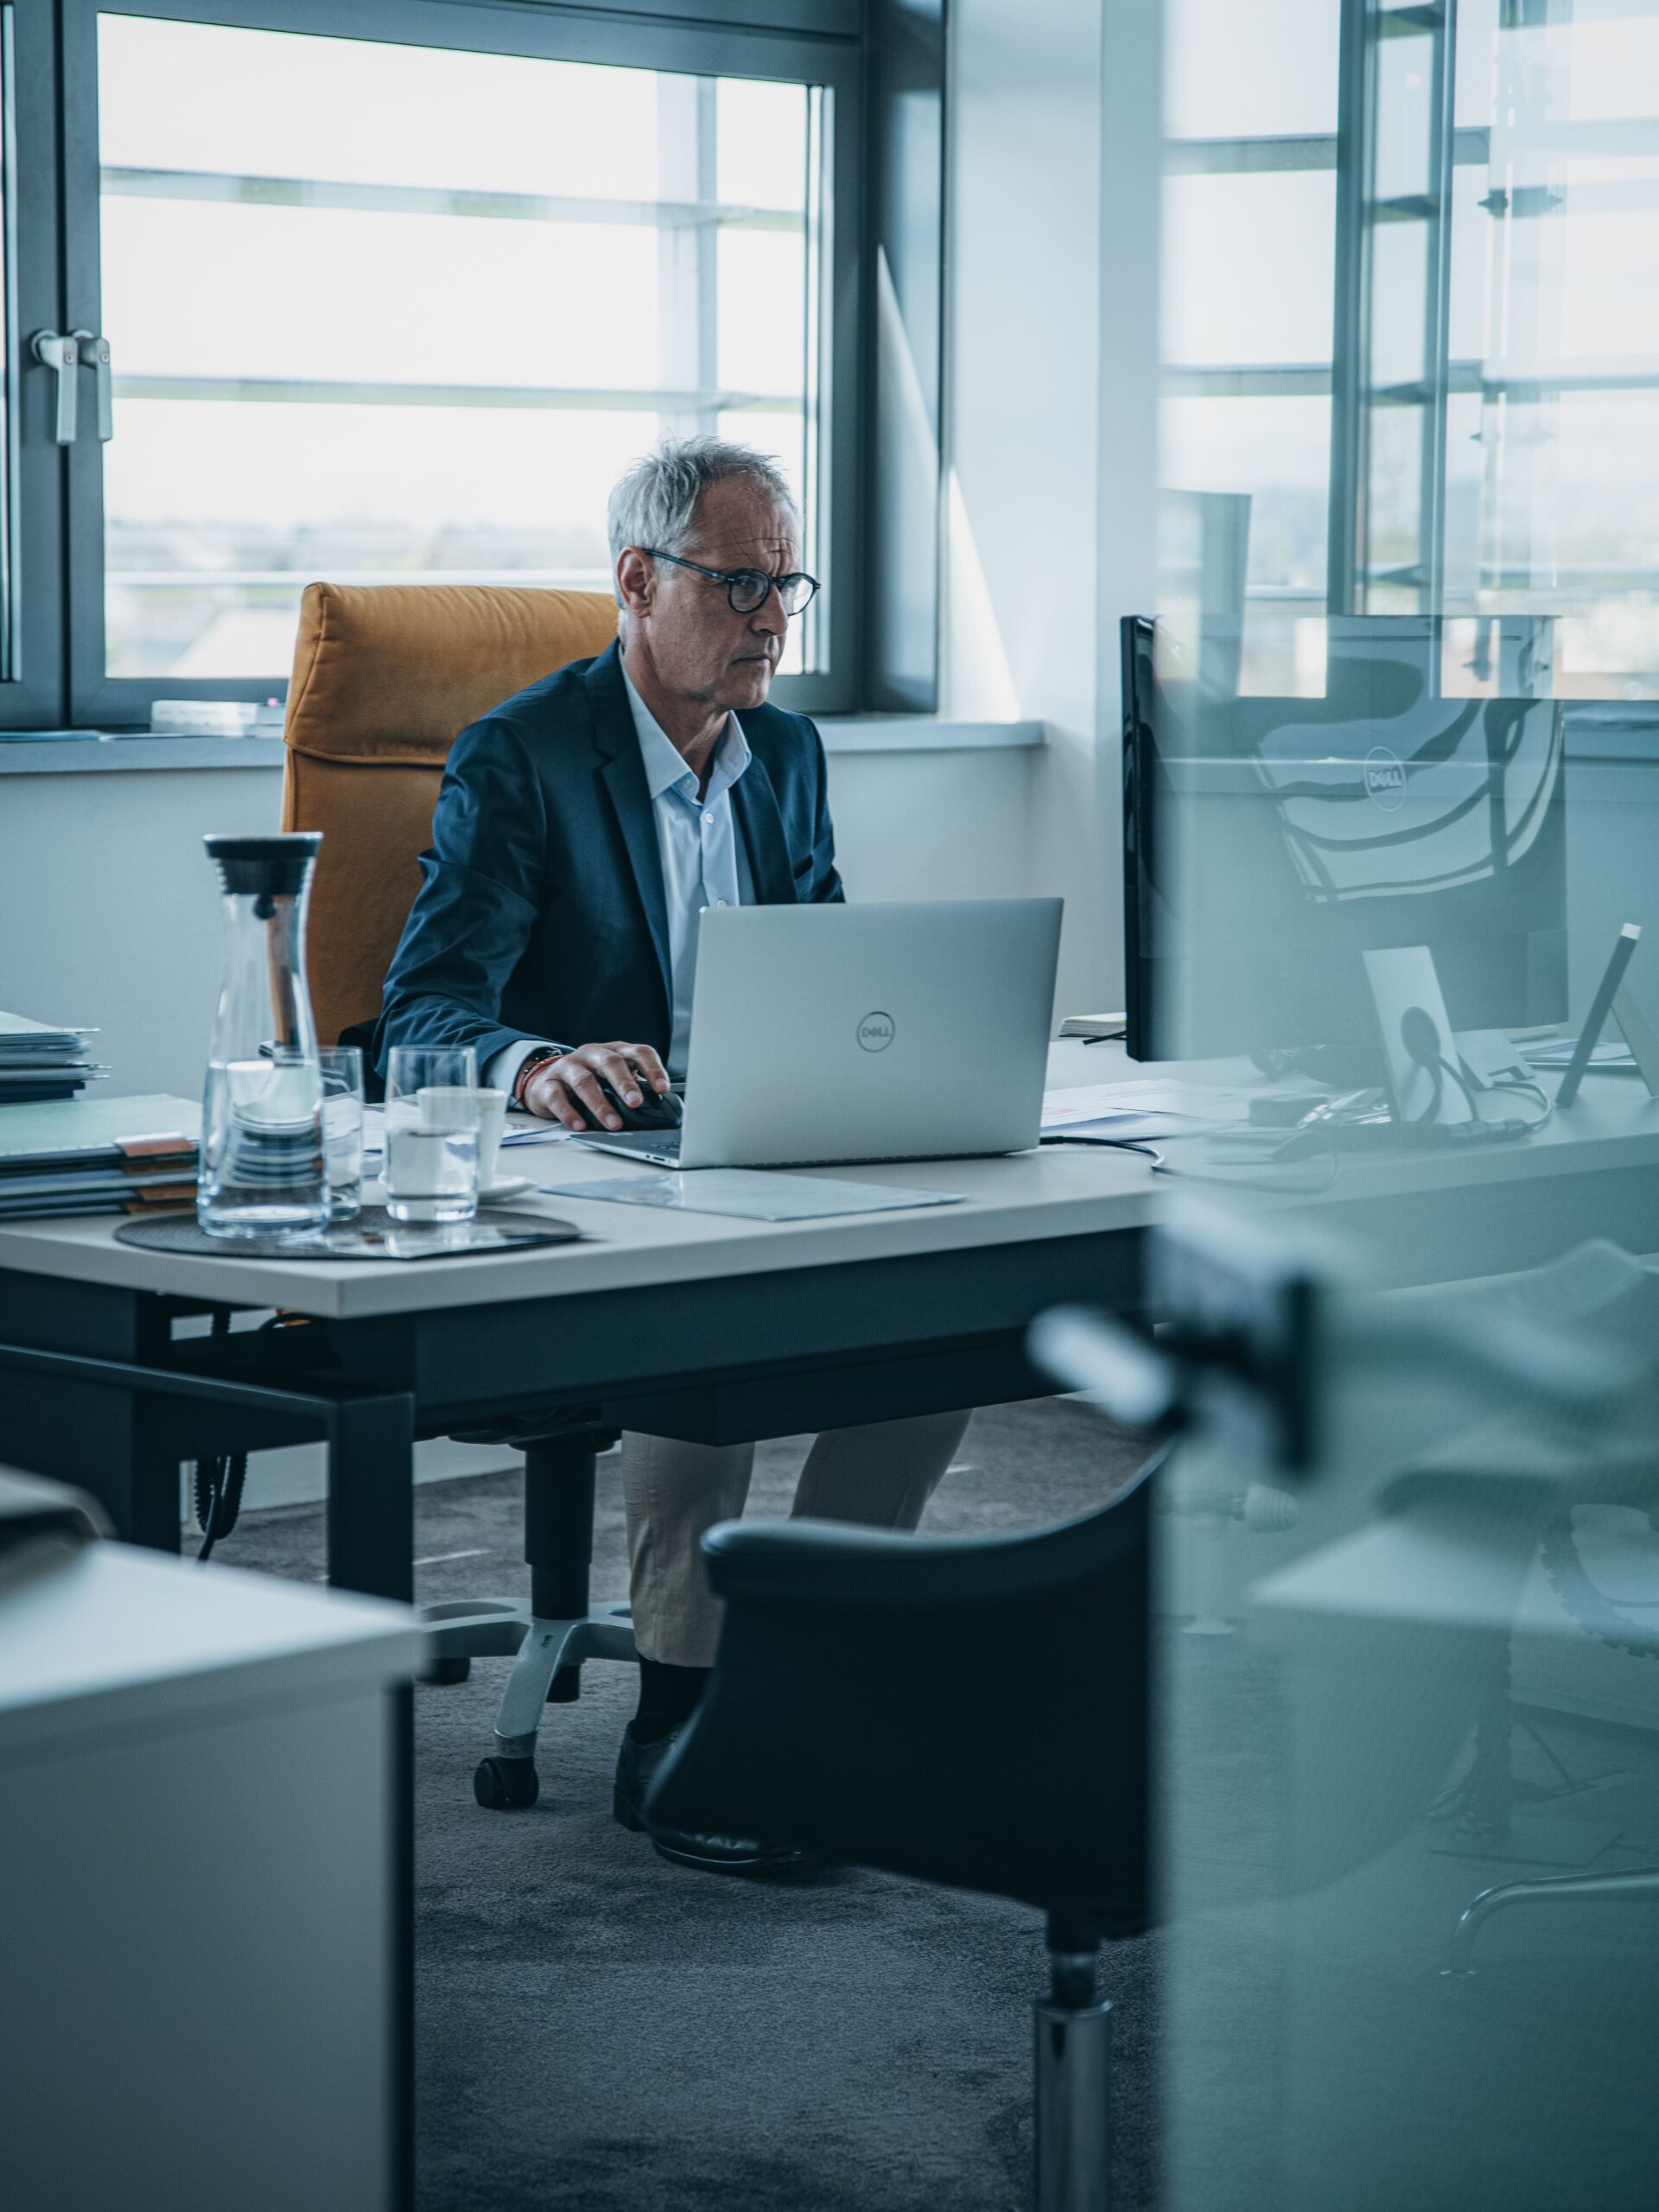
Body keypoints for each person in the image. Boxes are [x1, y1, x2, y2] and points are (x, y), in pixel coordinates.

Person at [377, 437, 969, 1872]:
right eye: (742, 585)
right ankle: (687, 1727)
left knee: (953, 1325)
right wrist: (537, 1060)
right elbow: (418, 1015)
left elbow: (834, 966)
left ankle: (804, 1675)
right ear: (638, 582)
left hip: (773, 1142)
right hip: (616, 1179)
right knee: (717, 1341)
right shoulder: (524, 754)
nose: (774, 619)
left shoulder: (791, 752)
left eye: (789, 586)